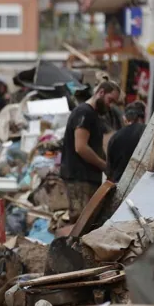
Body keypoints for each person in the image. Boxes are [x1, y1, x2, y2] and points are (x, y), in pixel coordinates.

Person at [60, 80, 121, 222]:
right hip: (79, 178)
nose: (110, 105)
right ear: (101, 93)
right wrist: (103, 165)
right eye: (110, 100)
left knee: (85, 222)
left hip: (85, 178)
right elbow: (81, 147)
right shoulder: (84, 113)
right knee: (80, 223)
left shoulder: (92, 115)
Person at [106, 101, 146, 183]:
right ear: (142, 117)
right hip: (141, 184)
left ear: (125, 118)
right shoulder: (148, 132)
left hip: (119, 183)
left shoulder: (114, 137)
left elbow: (109, 169)